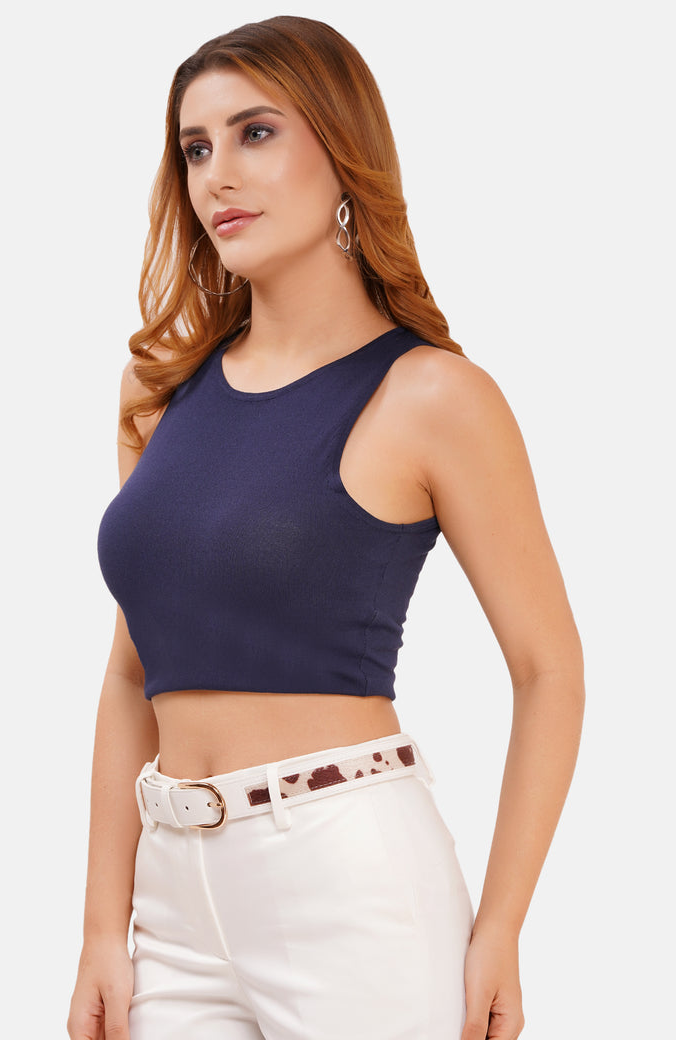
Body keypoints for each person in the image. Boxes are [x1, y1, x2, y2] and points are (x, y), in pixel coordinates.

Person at [67, 15, 584, 1040]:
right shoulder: (157, 392)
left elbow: (548, 669)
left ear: (344, 151)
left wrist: (501, 925)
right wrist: (99, 926)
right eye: (196, 148)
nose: (217, 174)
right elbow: (131, 674)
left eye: (255, 132)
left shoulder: (433, 396)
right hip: (171, 897)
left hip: (349, 880)